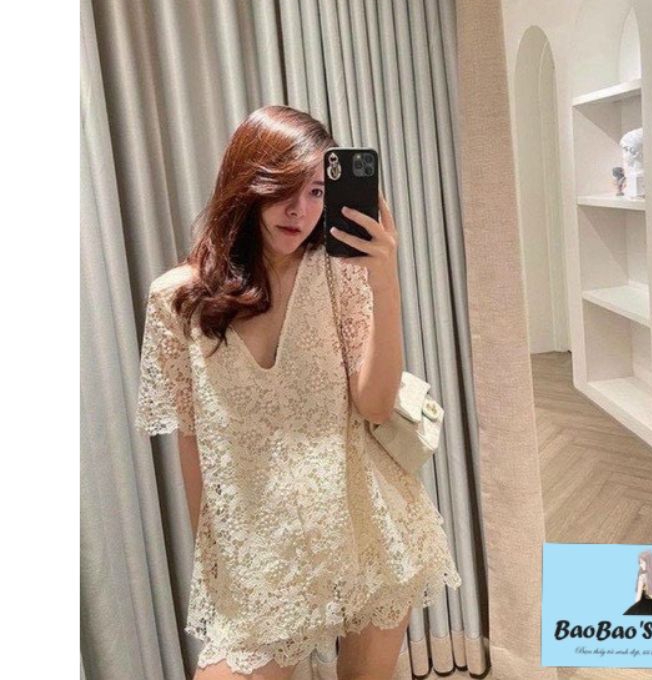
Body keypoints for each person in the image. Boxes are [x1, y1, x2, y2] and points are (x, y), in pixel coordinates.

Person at [134, 105, 462, 679]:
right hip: (265, 551)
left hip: (367, 523)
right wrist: (217, 563)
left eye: (315, 192)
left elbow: (375, 405)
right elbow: (192, 441)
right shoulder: (177, 300)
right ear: (246, 185)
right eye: (283, 189)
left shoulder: (338, 272)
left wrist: (384, 280)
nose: (300, 211)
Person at [623, 550, 652, 616]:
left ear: (648, 563)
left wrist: (634, 609)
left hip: (641, 607)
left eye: (641, 563)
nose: (640, 565)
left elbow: (638, 597)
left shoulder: (642, 576)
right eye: (639, 563)